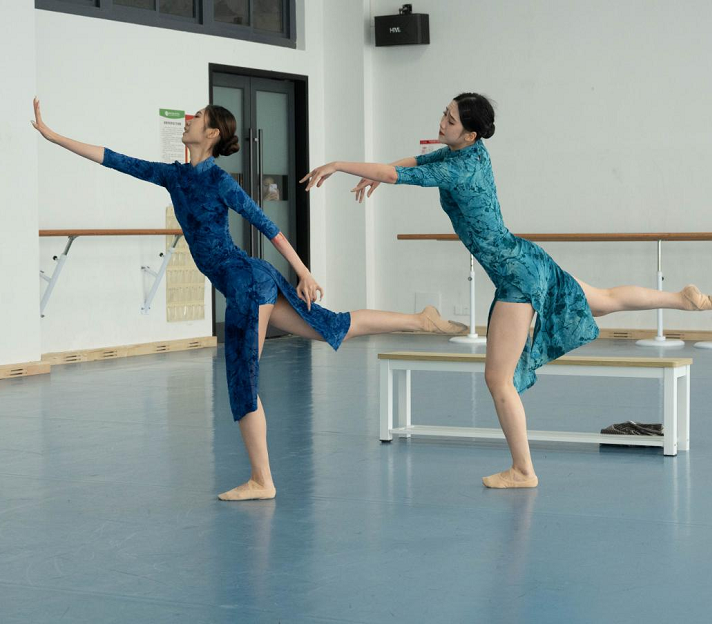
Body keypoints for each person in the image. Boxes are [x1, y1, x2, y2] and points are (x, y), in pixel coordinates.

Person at [31, 98, 466, 500]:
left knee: (243, 379)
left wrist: (303, 271)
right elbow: (114, 159)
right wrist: (53, 136)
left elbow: (266, 225)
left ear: (212, 133)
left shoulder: (219, 181)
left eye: (198, 118)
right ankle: (419, 320)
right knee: (329, 327)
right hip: (252, 280)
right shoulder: (174, 175)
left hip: (246, 285)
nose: (190, 121)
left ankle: (262, 480)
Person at [301, 92, 712, 489]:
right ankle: (680, 298)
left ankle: (523, 470)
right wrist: (375, 174)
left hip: (515, 277)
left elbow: (399, 173)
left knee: (497, 379)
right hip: (526, 258)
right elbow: (412, 161)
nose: (442, 122)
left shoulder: (459, 168)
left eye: (450, 120)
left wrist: (340, 165)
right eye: (444, 114)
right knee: (603, 300)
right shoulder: (468, 153)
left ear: (470, 133)